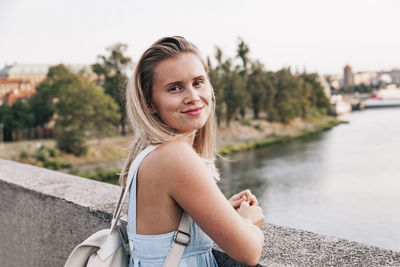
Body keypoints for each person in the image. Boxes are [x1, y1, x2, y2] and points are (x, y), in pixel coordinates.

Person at [119, 36, 265, 267]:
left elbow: (165, 229)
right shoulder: (174, 155)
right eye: (175, 88)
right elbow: (248, 252)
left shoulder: (151, 152)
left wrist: (220, 211)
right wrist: (249, 222)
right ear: (150, 104)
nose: (193, 97)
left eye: (198, 82)